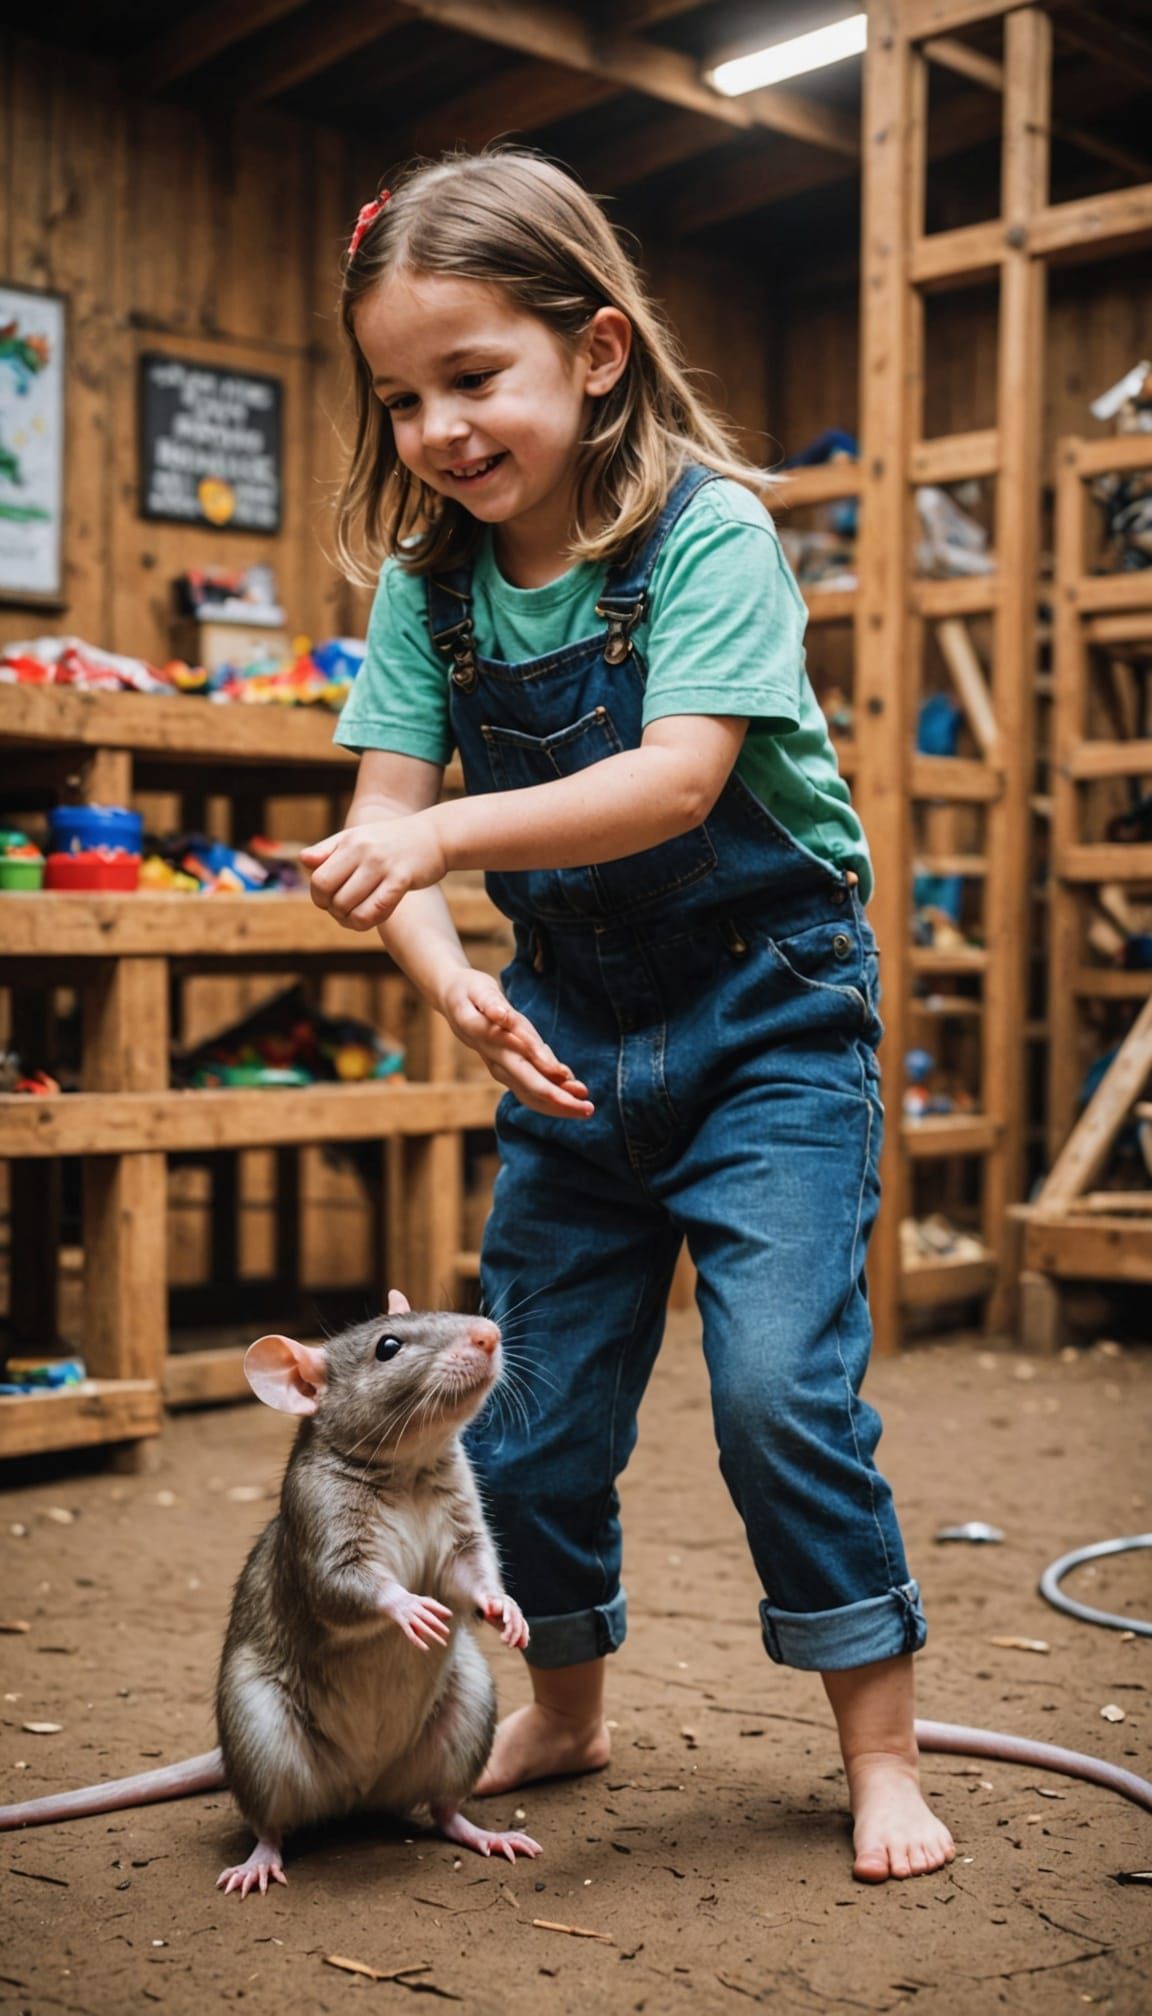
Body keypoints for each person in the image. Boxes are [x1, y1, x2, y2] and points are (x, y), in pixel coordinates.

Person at [302, 150, 955, 1885]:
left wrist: (437, 834)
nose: (437, 427)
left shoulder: (708, 536)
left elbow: (675, 785)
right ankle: (571, 1706)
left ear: (595, 353)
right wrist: (454, 978)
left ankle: (880, 1754)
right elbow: (387, 826)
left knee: (776, 1391)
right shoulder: (426, 590)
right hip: (573, 1031)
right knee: (533, 1407)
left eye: (473, 376)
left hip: (774, 1022)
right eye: (402, 395)